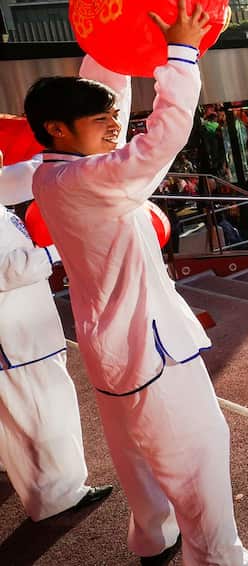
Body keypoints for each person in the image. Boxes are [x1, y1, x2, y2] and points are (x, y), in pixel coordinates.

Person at [25, 1, 248, 565]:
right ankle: (219, 558)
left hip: (116, 352)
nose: (113, 129)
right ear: (58, 129)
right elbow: (161, 140)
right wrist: (180, 53)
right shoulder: (88, 178)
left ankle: (154, 536)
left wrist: (113, 34)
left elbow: (111, 103)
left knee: (138, 459)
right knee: (199, 459)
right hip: (148, 352)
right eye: (101, 124)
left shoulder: (54, 172)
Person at [0, 154, 114, 523]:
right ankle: (59, 496)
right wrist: (53, 250)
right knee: (44, 412)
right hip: (17, 337)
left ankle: (39, 484)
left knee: (24, 416)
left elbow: (27, 174)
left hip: (22, 330)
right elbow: (8, 270)